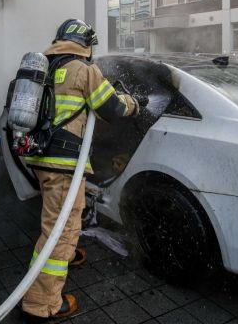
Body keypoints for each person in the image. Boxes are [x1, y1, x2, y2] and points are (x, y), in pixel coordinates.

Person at [21, 19, 145, 321]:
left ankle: (67, 254)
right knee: (61, 229)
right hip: (64, 163)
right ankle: (41, 303)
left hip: (39, 157)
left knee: (57, 219)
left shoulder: (46, 67)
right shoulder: (84, 70)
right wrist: (136, 103)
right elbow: (112, 108)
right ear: (86, 44)